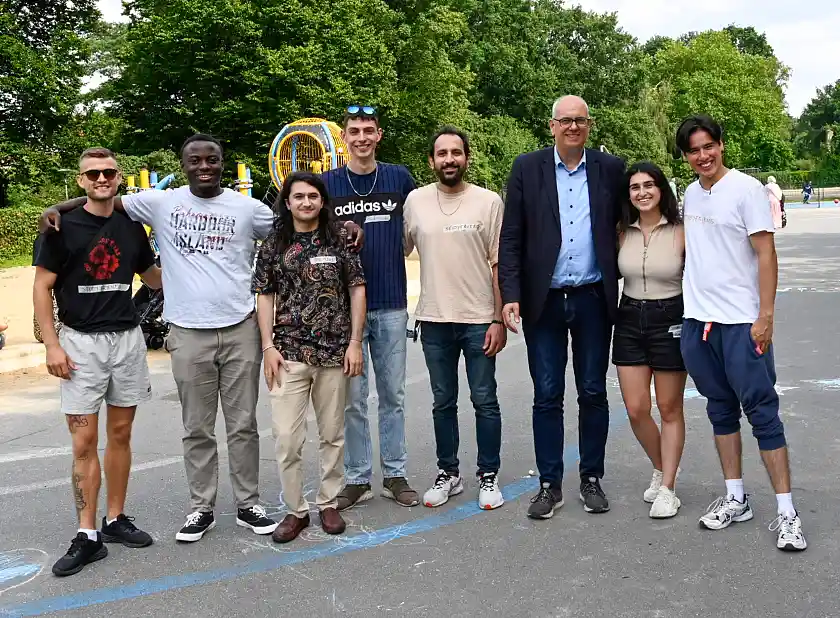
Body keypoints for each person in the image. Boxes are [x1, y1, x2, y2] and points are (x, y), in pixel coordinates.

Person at [40, 134, 364, 543]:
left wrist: (343, 224)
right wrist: (56, 208)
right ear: (184, 164)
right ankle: (201, 508)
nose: (204, 166)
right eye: (195, 160)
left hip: (240, 328)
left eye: (212, 160)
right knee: (197, 427)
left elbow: (301, 222)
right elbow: (103, 197)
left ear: (222, 163)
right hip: (187, 331)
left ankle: (248, 503)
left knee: (244, 425)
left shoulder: (249, 209)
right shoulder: (162, 203)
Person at [677, 114, 807, 551]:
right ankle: (736, 498)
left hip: (741, 322)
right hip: (699, 323)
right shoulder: (691, 195)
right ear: (686, 156)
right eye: (693, 150)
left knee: (762, 413)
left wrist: (765, 314)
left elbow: (766, 254)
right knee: (719, 410)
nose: (702, 156)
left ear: (721, 145)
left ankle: (787, 513)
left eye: (708, 146)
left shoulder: (748, 190)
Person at [33, 148, 161, 576]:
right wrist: (51, 345)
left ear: (119, 177)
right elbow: (41, 287)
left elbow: (152, 275)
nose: (102, 179)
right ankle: (87, 533)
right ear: (81, 180)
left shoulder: (131, 225)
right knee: (83, 443)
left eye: (108, 172)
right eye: (93, 174)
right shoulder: (59, 226)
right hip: (80, 344)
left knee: (121, 433)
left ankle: (115, 519)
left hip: (125, 340)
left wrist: (196, 267)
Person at [499, 95, 625, 519]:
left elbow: (630, 222)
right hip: (544, 300)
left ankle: (591, 478)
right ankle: (549, 485)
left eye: (580, 120)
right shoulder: (526, 168)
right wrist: (510, 292)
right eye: (565, 121)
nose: (573, 127)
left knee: (592, 391)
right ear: (551, 126)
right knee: (547, 394)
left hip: (592, 297)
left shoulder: (611, 169)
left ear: (589, 125)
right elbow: (512, 236)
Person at [253, 172, 366, 542]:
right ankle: (295, 510)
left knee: (332, 433)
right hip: (287, 354)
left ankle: (328, 502)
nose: (305, 202)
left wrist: (354, 342)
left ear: (322, 201)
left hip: (334, 353)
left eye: (312, 196)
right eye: (298, 196)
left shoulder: (340, 240)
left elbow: (357, 290)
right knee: (286, 437)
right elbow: (264, 295)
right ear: (287, 202)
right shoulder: (273, 244)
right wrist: (267, 346)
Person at [322, 105, 420, 510]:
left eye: (368, 130)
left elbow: (416, 232)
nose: (361, 137)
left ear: (379, 135)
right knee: (352, 398)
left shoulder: (399, 178)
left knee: (393, 394)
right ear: (343, 138)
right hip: (345, 310)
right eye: (354, 131)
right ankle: (358, 477)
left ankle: (395, 473)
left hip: (392, 301)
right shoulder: (327, 183)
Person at [403, 126, 506, 510]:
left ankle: (488, 474)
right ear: (431, 161)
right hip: (433, 319)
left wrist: (498, 317)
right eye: (442, 153)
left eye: (456, 152)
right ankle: (449, 473)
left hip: (479, 318)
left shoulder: (489, 201)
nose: (449, 159)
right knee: (442, 402)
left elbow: (499, 263)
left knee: (485, 401)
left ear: (467, 157)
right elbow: (397, 248)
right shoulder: (415, 201)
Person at [613, 162, 686, 519]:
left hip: (670, 318)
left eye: (649, 185)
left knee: (670, 408)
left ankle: (668, 488)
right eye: (634, 187)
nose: (642, 192)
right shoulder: (620, 231)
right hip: (628, 317)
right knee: (636, 408)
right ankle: (662, 466)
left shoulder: (680, 231)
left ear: (661, 190)